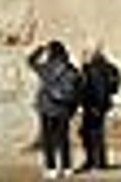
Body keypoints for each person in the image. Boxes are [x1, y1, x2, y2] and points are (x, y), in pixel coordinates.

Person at [28, 39, 82, 179]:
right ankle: (67, 167)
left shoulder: (46, 67)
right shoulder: (71, 69)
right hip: (63, 108)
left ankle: (51, 168)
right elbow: (78, 86)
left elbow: (30, 61)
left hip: (47, 108)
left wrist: (40, 49)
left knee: (48, 140)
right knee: (63, 139)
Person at [78, 42, 121, 173]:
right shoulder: (106, 67)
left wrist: (97, 105)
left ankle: (96, 162)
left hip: (94, 105)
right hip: (97, 105)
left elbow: (98, 89)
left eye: (87, 53)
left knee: (93, 134)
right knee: (90, 133)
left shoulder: (95, 69)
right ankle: (95, 161)